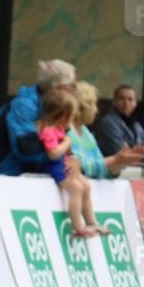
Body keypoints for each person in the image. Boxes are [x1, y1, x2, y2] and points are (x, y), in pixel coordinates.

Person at [0, 59, 78, 175]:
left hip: (8, 178)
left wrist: (71, 157)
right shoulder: (24, 105)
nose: (75, 90)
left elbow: (59, 141)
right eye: (73, 86)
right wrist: (64, 149)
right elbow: (27, 149)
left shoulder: (52, 107)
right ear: (61, 87)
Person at [35, 90, 106, 238]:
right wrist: (67, 142)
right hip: (54, 167)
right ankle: (78, 227)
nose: (72, 120)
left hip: (63, 164)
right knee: (76, 189)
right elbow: (53, 153)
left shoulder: (59, 129)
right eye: (71, 116)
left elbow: (66, 152)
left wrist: (70, 154)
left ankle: (91, 222)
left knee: (86, 185)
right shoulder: (48, 131)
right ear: (62, 115)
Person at [68, 81, 144, 179]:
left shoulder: (86, 133)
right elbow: (80, 167)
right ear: (82, 105)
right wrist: (115, 160)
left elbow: (100, 166)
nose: (96, 110)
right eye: (93, 104)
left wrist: (120, 164)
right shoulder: (67, 131)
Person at [95, 84, 144, 161]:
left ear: (135, 103)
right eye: (121, 99)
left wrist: (135, 151)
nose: (126, 103)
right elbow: (123, 153)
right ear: (114, 102)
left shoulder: (135, 124)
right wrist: (141, 150)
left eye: (130, 99)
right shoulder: (108, 123)